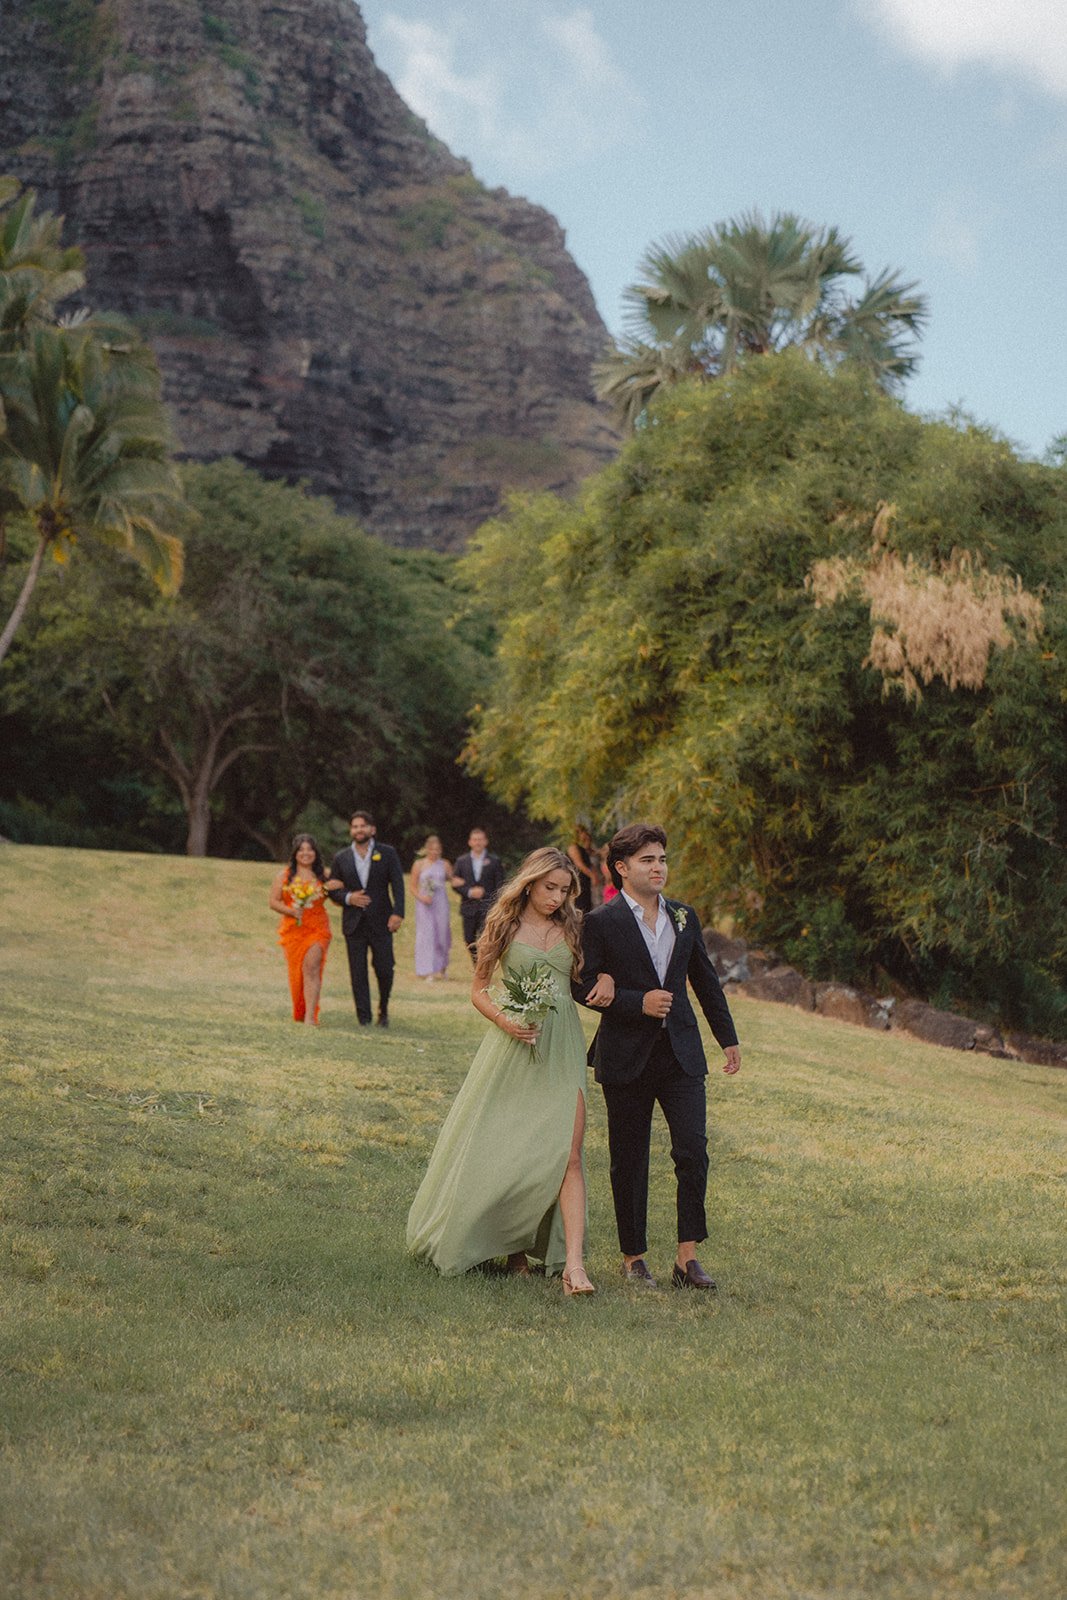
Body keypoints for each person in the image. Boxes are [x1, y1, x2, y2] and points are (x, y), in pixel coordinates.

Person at [407, 848, 614, 1292]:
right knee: (515, 1149)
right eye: (549, 888)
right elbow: (479, 988)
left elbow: (592, 975)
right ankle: (513, 1248)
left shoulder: (575, 926)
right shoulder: (503, 923)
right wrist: (505, 1020)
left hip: (562, 1046)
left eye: (564, 890)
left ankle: (574, 1266)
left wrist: (608, 978)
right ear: (530, 882)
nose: (556, 898)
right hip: (514, 1045)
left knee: (569, 1154)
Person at [574, 823, 741, 1292]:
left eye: (662, 859)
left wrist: (727, 1037)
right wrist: (635, 1002)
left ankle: (688, 1258)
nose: (658, 868)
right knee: (629, 1159)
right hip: (626, 1055)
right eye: (647, 860)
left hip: (681, 1054)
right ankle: (633, 1258)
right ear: (622, 868)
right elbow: (581, 985)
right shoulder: (601, 922)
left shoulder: (684, 916)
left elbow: (705, 981)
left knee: (693, 1150)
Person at [327, 810, 405, 1027]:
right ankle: (364, 1018)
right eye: (355, 826)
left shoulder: (387, 853)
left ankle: (383, 1009)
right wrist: (349, 898)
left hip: (382, 921)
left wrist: (398, 913)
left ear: (372, 829)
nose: (359, 830)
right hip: (354, 924)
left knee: (385, 968)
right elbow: (332, 889)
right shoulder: (341, 857)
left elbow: (398, 885)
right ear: (351, 830)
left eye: (363, 826)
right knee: (357, 972)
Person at [268, 834, 337, 1025]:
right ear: (295, 853)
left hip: (318, 928)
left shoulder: (324, 875)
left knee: (312, 967)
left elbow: (338, 899)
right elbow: (273, 902)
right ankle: (301, 1011)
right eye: (301, 850)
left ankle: (310, 1017)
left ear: (315, 853)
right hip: (293, 930)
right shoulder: (284, 876)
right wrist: (291, 911)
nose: (306, 853)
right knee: (298, 974)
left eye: (310, 849)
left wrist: (335, 889)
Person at [451, 827, 505, 963]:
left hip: (487, 908)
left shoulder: (494, 861)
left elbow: (500, 885)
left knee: (486, 939)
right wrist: (469, 892)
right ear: (470, 842)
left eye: (480, 840)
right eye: (475, 840)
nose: (477, 843)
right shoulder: (461, 861)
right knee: (469, 939)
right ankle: (477, 964)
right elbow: (455, 883)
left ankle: (484, 966)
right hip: (468, 908)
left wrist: (486, 895)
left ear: (485, 842)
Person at [411, 833, 453, 981]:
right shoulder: (419, 864)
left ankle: (442, 967)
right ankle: (427, 970)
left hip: (441, 902)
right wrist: (421, 897)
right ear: (427, 849)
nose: (435, 852)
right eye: (432, 849)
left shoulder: (445, 864)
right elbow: (412, 887)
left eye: (437, 849)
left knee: (442, 934)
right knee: (427, 935)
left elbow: (453, 880)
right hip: (425, 904)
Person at [567, 823, 601, 912]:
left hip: (585, 881)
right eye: (582, 832)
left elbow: (593, 855)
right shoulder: (573, 847)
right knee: (580, 904)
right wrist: (592, 875)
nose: (585, 834)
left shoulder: (583, 849)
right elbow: (579, 864)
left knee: (587, 904)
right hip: (578, 880)